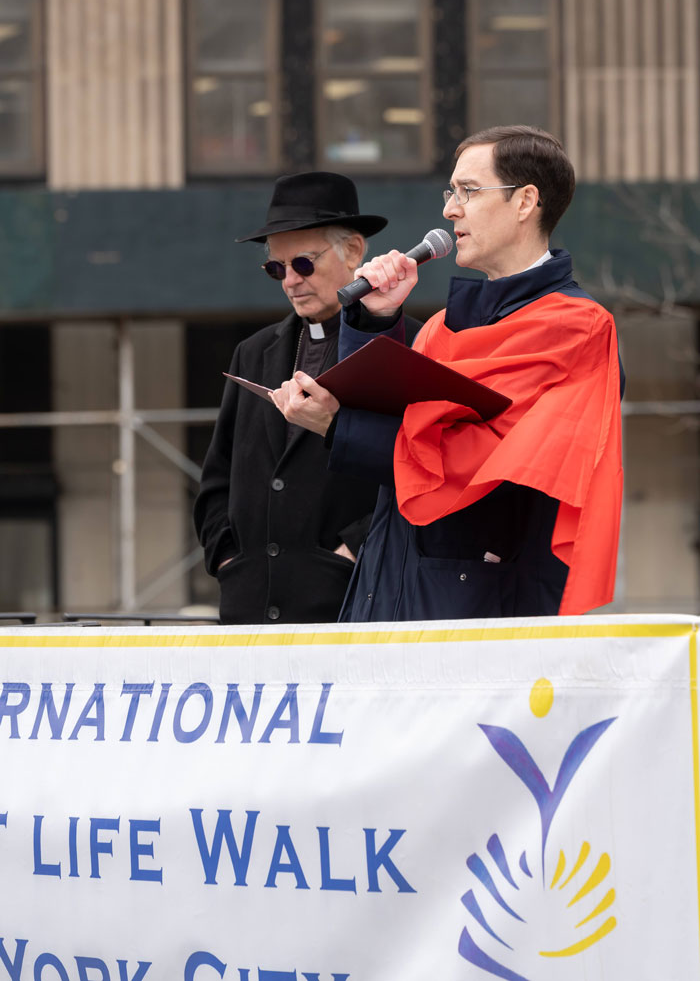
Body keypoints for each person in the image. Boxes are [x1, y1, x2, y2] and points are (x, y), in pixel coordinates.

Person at [271, 126, 624, 621]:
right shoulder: (443, 325)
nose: (450, 210)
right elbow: (394, 420)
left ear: (525, 202)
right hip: (389, 589)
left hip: (479, 606)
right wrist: (376, 319)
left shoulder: (579, 328)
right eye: (450, 192)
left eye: (469, 191)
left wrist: (337, 426)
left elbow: (480, 462)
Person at [194, 171, 421, 624]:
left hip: (352, 598)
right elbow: (217, 478)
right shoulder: (253, 352)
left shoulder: (408, 344)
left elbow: (422, 469)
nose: (290, 281)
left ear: (353, 250)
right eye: (276, 268)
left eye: (303, 263)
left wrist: (353, 550)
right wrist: (227, 557)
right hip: (250, 604)